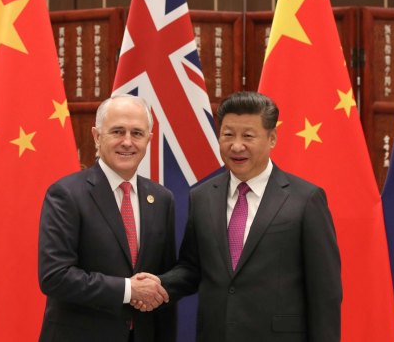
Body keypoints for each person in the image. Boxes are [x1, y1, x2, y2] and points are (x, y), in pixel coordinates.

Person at [136, 91, 342, 341]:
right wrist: (158, 284)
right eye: (228, 135)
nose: (236, 146)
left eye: (248, 136)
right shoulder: (202, 196)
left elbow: (325, 292)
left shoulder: (305, 199)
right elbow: (192, 268)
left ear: (272, 138)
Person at [38, 94, 176, 342]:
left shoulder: (161, 198)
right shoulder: (66, 194)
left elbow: (161, 280)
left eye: (137, 133)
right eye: (117, 131)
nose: (127, 142)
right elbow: (55, 276)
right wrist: (128, 289)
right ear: (96, 136)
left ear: (149, 140)